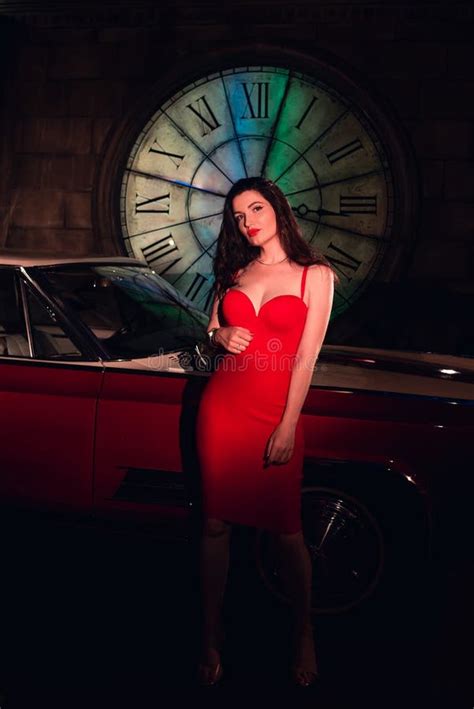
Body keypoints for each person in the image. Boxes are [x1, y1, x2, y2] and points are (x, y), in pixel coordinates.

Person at [195, 176, 337, 686]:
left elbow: (305, 359)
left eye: (256, 208)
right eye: (238, 215)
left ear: (277, 208)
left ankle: (304, 631)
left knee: (286, 533)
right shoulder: (235, 269)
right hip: (222, 410)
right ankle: (210, 637)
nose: (248, 221)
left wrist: (287, 425)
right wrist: (220, 333)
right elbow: (210, 330)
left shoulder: (314, 275)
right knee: (215, 525)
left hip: (275, 414)